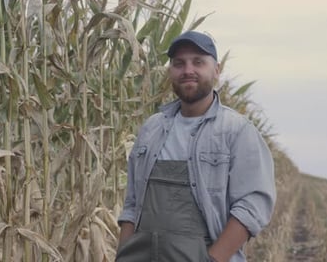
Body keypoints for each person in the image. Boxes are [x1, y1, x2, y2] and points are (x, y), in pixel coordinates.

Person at [116, 31, 276, 262]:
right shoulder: (151, 129)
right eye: (179, 64)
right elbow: (132, 204)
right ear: (170, 71)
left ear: (216, 70)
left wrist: (213, 259)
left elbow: (253, 205)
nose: (188, 70)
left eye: (198, 62)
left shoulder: (237, 131)